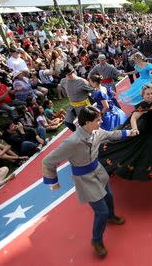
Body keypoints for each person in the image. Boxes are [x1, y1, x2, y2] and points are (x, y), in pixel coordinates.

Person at [42, 106, 138, 257]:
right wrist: (53, 181)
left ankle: (111, 216)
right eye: (98, 119)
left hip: (99, 171)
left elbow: (112, 135)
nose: (101, 121)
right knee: (101, 211)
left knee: (109, 196)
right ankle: (96, 240)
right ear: (87, 123)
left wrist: (129, 132)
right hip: (84, 178)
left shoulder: (96, 131)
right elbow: (48, 161)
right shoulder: (72, 142)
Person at [60, 64, 94, 131]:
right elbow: (64, 92)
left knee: (85, 124)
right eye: (66, 74)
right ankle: (77, 133)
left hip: (83, 106)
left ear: (73, 72)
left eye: (69, 74)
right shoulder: (63, 81)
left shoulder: (82, 81)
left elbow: (92, 91)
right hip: (72, 105)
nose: (68, 76)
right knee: (67, 122)